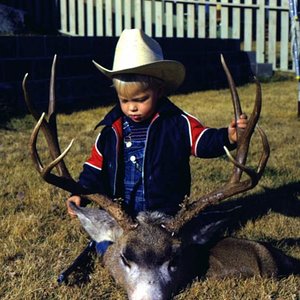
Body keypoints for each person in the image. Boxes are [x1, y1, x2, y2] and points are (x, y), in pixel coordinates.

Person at [66, 28, 247, 225]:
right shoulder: (111, 131)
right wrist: (79, 193)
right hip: (122, 216)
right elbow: (94, 169)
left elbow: (203, 141)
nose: (132, 107)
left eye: (141, 99)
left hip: (164, 214)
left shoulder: (177, 123)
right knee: (105, 244)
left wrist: (227, 137)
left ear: (159, 91)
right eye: (124, 100)